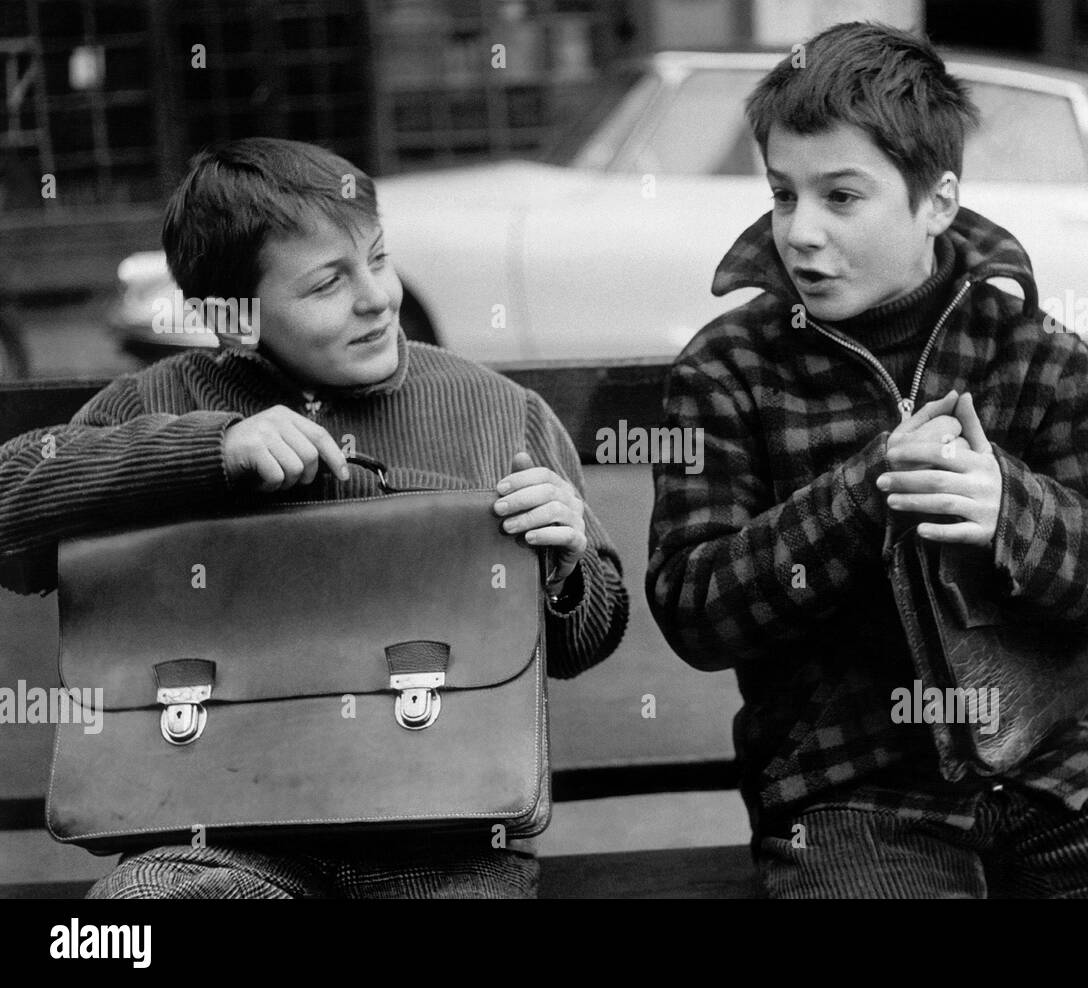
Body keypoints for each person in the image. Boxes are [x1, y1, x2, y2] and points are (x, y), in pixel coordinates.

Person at [645, 21, 1088, 899]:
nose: (800, 233)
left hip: (1056, 771)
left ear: (937, 200)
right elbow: (695, 612)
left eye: (841, 197)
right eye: (783, 194)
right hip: (849, 799)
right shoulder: (727, 368)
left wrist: (1015, 510)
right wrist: (864, 492)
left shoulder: (1031, 350)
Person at [0, 137, 629, 898]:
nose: (377, 298)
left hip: (448, 836)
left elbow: (583, 642)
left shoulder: (498, 412)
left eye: (379, 257)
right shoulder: (158, 402)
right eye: (327, 283)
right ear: (232, 321)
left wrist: (564, 563)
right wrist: (210, 451)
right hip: (217, 841)